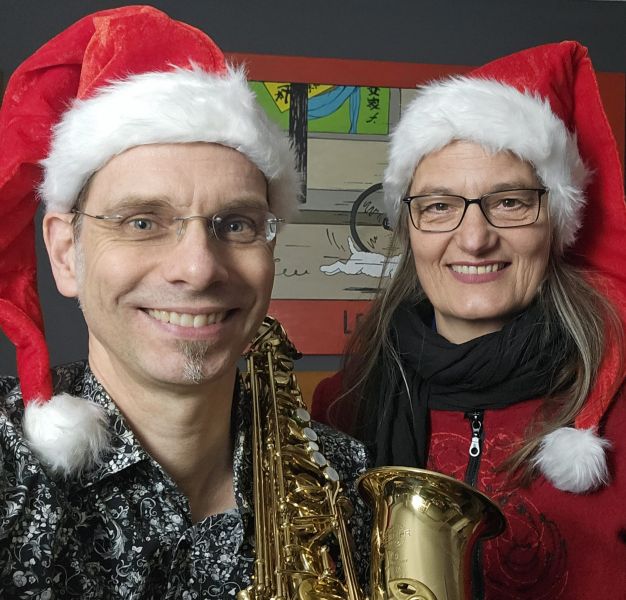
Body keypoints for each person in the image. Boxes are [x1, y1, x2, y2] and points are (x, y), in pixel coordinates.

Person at [0, 6, 370, 599]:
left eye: (237, 224)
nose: (198, 270)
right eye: (143, 222)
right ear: (67, 253)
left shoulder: (345, 477)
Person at [312, 42, 626, 599]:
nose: (475, 239)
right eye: (439, 206)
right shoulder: (342, 403)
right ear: (410, 228)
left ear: (555, 223)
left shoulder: (618, 409)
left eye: (509, 202)